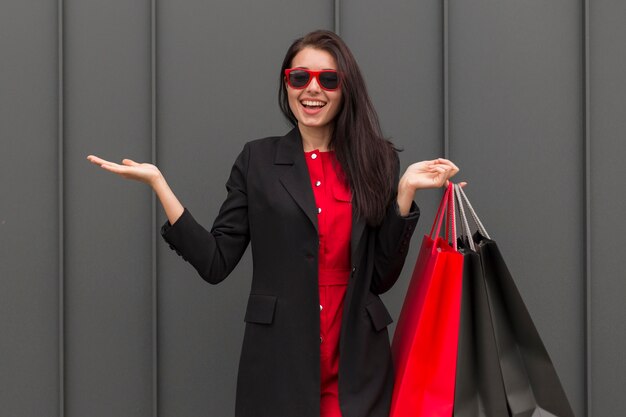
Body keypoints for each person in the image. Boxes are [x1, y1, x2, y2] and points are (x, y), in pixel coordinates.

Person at [88, 30, 460, 417]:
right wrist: (158, 184)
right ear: (287, 84)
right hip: (279, 362)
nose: (312, 89)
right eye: (300, 77)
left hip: (357, 360)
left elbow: (380, 276)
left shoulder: (377, 160)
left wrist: (405, 194)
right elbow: (215, 262)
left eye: (328, 79)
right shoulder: (257, 161)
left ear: (346, 88)